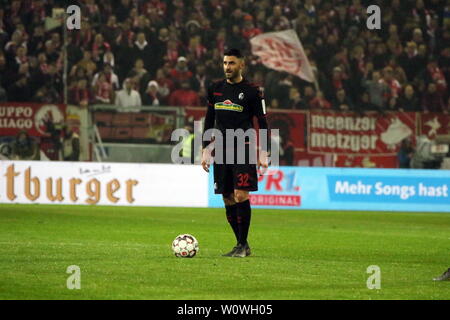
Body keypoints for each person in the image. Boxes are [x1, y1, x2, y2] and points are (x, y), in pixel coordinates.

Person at [201, 49, 269, 258]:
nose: (227, 67)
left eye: (231, 63)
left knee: (241, 194)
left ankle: (241, 245)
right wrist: (205, 148)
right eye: (224, 63)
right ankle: (242, 245)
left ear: (241, 65)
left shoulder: (253, 91)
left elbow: (262, 122)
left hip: (243, 147)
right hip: (220, 147)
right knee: (228, 198)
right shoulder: (215, 89)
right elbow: (209, 118)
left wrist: (264, 151)